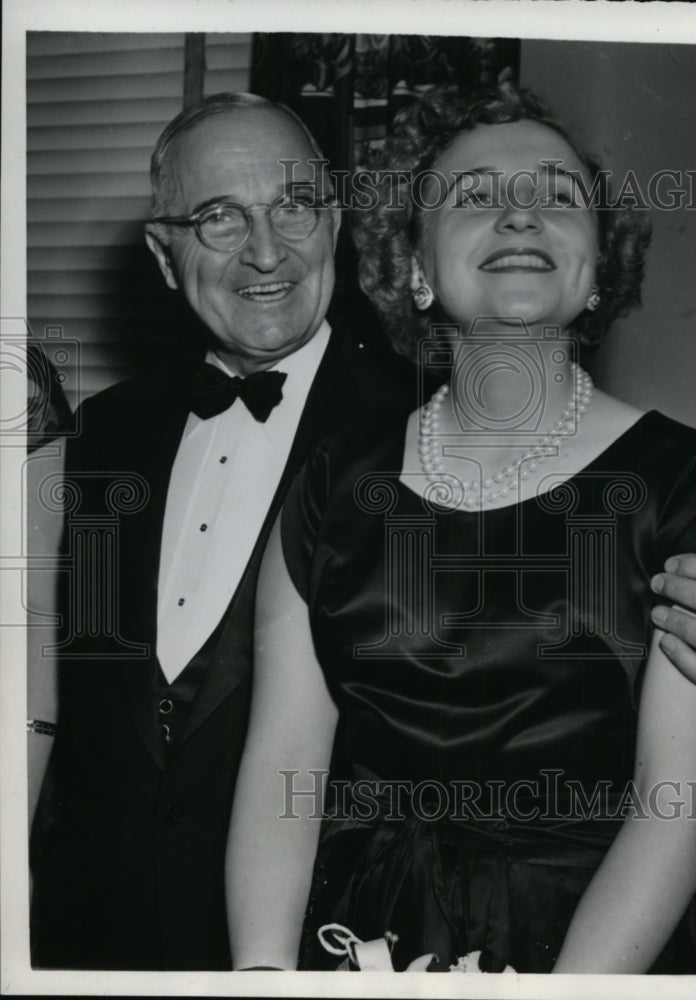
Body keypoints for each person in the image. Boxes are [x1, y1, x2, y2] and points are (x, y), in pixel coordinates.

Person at [28, 89, 696, 973]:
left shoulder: (688, 483)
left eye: (556, 194)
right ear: (415, 267)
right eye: (474, 194)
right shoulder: (162, 450)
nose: (518, 213)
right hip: (305, 937)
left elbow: (679, 810)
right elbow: (259, 764)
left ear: (599, 266)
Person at [28, 92, 410, 971]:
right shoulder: (96, 440)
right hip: (91, 945)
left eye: (294, 207)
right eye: (219, 217)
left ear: (336, 223)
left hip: (324, 949)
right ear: (165, 256)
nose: (266, 251)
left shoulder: (429, 437)